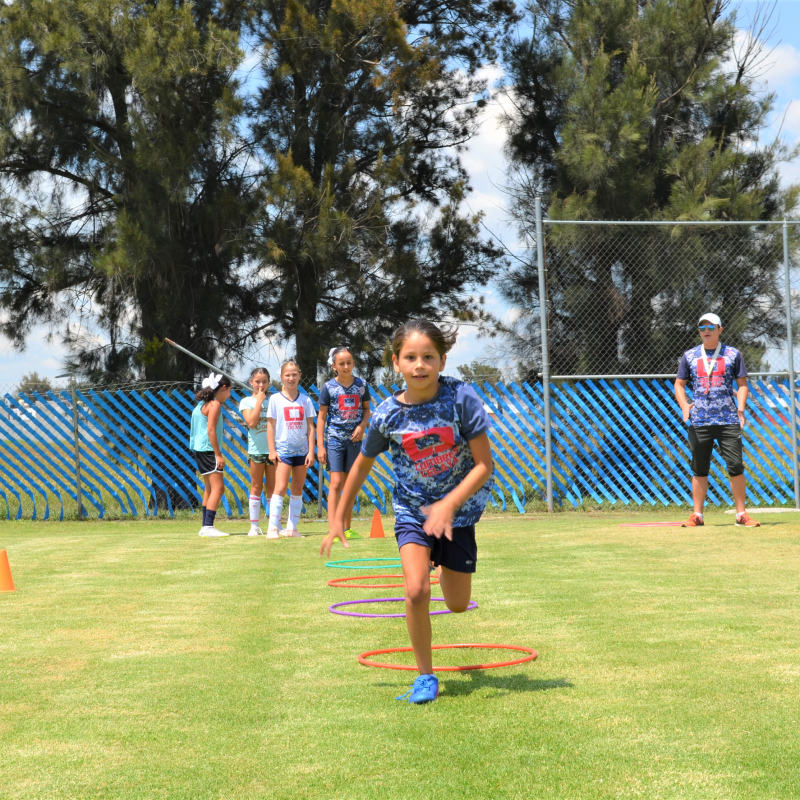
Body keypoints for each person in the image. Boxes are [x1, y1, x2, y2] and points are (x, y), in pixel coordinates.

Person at [321, 320, 494, 704]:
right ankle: (425, 677)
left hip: (458, 515)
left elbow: (485, 465)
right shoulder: (387, 415)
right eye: (411, 357)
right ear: (396, 362)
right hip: (413, 512)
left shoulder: (461, 399)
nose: (420, 365)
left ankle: (442, 562)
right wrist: (337, 518)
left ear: (442, 361)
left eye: (428, 357)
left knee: (457, 604)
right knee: (415, 590)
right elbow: (361, 465)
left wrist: (448, 505)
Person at [674, 313, 760, 528]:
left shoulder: (733, 354)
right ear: (699, 331)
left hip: (728, 419)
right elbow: (679, 384)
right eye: (702, 327)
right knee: (699, 468)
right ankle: (697, 515)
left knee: (735, 465)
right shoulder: (690, 355)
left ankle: (741, 515)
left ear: (720, 329)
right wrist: (684, 405)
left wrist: (741, 408)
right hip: (700, 420)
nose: (706, 330)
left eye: (711, 326)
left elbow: (742, 384)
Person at [317, 346, 371, 540]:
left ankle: (347, 528)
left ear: (353, 363)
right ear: (334, 366)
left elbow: (367, 410)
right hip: (334, 440)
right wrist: (320, 446)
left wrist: (362, 426)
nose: (346, 366)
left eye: (349, 362)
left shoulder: (362, 385)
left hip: (355, 442)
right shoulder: (328, 388)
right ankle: (334, 528)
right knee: (336, 483)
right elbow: (321, 418)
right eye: (341, 363)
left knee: (349, 485)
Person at [266, 360, 316, 538]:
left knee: (297, 488)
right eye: (287, 375)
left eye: (294, 374)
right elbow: (270, 426)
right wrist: (272, 450)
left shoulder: (306, 400)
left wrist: (311, 452)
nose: (291, 378)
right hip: (283, 451)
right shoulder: (275, 400)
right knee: (280, 487)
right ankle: (273, 528)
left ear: (300, 376)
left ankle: (292, 528)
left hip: (302, 452)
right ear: (281, 377)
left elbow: (310, 427)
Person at [190, 372, 233, 538]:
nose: (229, 394)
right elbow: (211, 430)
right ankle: (208, 526)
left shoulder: (201, 404)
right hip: (208, 450)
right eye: (229, 390)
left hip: (199, 450)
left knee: (209, 489)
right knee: (218, 488)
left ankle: (205, 526)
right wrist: (218, 455)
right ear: (223, 388)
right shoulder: (214, 404)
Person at [238, 367, 276, 536]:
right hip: (256, 450)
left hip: (273, 450)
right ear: (251, 382)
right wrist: (259, 402)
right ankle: (254, 527)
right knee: (256, 486)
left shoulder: (274, 401)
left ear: (269, 383)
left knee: (273, 488)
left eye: (264, 382)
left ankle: (274, 525)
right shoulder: (246, 401)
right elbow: (252, 423)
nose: (261, 385)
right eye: (257, 382)